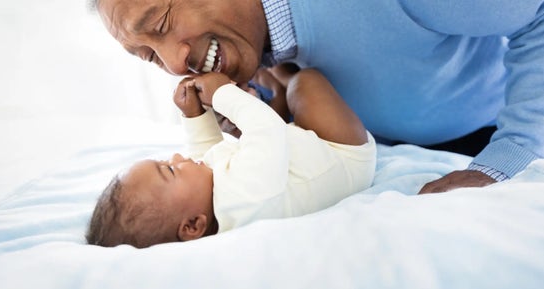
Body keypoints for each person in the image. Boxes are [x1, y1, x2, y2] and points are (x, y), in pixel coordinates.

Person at [86, 0, 544, 194]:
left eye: (163, 22)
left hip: (499, 126)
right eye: (148, 55)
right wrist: (273, 110)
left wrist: (506, 162)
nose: (172, 63)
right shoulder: (261, 41)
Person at [86, 69, 376, 248]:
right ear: (192, 226)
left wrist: (195, 115)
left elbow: (205, 151)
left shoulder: (214, 205)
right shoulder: (246, 199)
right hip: (343, 153)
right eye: (170, 171)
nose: (176, 156)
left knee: (253, 126)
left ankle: (276, 90)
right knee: (306, 83)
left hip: (295, 149)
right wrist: (223, 92)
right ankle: (285, 79)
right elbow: (267, 130)